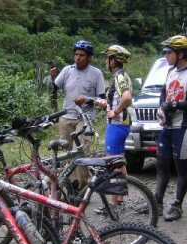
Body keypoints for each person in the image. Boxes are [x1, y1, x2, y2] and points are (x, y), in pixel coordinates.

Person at [155, 35, 187, 221]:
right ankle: (157, 202)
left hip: (185, 126)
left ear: (181, 54)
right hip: (168, 126)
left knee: (181, 167)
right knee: (161, 163)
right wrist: (162, 108)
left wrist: (174, 106)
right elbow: (164, 93)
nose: (166, 55)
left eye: (169, 52)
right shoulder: (171, 72)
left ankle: (177, 205)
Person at [50, 40, 106, 190]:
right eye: (76, 54)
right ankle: (71, 185)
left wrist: (87, 99)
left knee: (79, 155)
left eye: (81, 55)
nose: (77, 58)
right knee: (67, 155)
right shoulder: (67, 70)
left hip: (84, 119)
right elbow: (54, 88)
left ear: (89, 58)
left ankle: (80, 188)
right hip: (66, 118)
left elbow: (103, 99)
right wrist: (52, 77)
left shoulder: (96, 73)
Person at [94, 45, 134, 212]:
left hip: (117, 125)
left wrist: (115, 111)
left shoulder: (119, 78)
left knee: (112, 163)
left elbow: (127, 97)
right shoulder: (122, 76)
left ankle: (112, 204)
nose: (106, 61)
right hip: (123, 124)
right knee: (120, 161)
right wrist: (106, 104)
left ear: (113, 60)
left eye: (108, 58)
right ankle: (121, 198)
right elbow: (120, 97)